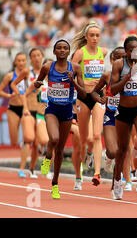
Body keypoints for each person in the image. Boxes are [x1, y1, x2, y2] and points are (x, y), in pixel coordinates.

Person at [35, 39, 86, 199]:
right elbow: (38, 81)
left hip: (67, 113)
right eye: (59, 48)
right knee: (54, 139)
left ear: (69, 51)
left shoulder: (76, 68)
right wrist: (37, 84)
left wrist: (73, 81)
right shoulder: (47, 67)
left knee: (61, 149)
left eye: (65, 48)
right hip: (51, 110)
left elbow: (83, 93)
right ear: (55, 52)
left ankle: (55, 184)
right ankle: (47, 156)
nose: (62, 50)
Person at [110, 36, 137, 200]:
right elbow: (113, 90)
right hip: (123, 110)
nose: (135, 53)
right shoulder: (119, 64)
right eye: (131, 50)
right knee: (121, 149)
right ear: (126, 51)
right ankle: (116, 181)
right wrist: (128, 76)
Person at [90, 46, 135, 193]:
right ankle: (108, 158)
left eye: (123, 57)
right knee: (112, 151)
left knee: (126, 148)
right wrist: (100, 98)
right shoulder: (107, 76)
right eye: (117, 57)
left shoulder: (134, 75)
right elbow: (93, 92)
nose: (120, 60)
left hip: (125, 115)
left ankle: (126, 180)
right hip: (110, 116)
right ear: (111, 60)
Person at [71, 19, 108, 186]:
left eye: (97, 35)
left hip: (98, 95)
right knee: (84, 139)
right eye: (92, 35)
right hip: (83, 97)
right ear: (86, 37)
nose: (94, 38)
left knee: (96, 136)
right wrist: (82, 85)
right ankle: (78, 176)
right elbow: (70, 75)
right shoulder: (80, 53)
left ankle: (97, 173)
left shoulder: (104, 52)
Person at [10, 48, 45, 179]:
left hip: (41, 110)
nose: (36, 58)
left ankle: (31, 169)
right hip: (29, 109)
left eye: (38, 55)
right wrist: (20, 95)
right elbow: (13, 84)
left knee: (37, 142)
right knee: (28, 139)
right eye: (34, 56)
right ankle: (21, 168)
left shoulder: (47, 72)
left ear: (42, 56)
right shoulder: (27, 72)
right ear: (31, 59)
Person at [0, 52, 28, 178]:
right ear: (15, 62)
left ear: (26, 62)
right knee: (14, 141)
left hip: (25, 109)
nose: (21, 63)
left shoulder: (29, 75)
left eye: (23, 60)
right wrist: (9, 95)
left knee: (26, 139)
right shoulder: (10, 76)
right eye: (18, 60)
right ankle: (20, 143)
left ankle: (21, 168)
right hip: (13, 108)